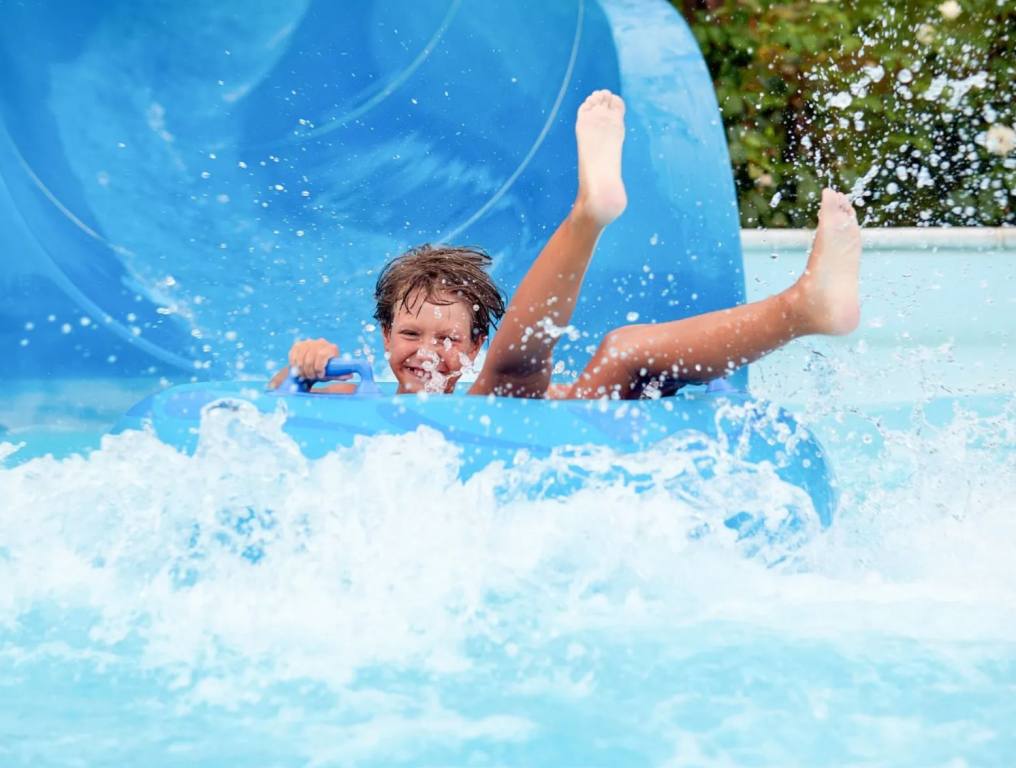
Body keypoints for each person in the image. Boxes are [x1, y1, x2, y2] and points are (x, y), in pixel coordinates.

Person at [269, 90, 861, 399]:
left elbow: (536, 388)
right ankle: (590, 215)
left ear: (476, 344)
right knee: (535, 370)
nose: (427, 351)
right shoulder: (357, 390)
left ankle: (802, 307)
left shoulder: (488, 384)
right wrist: (305, 364)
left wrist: (561, 396)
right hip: (502, 405)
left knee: (619, 352)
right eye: (411, 334)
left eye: (449, 338)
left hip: (512, 414)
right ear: (383, 336)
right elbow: (276, 404)